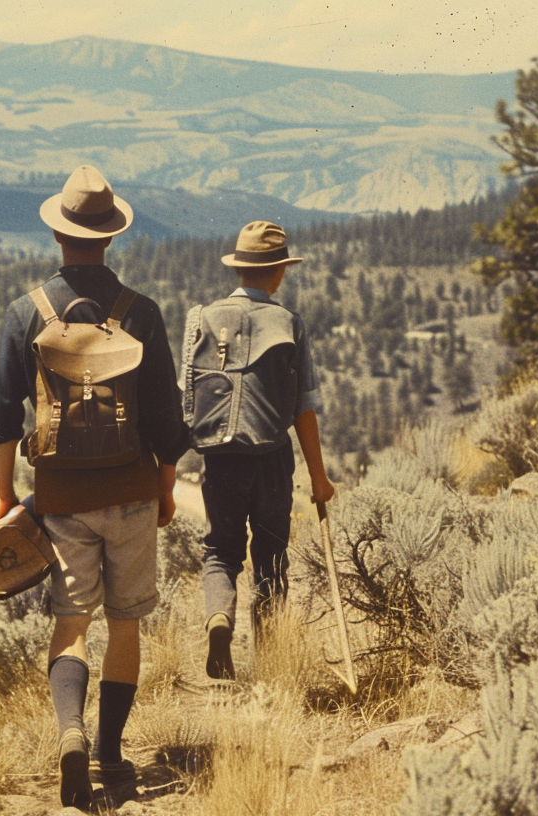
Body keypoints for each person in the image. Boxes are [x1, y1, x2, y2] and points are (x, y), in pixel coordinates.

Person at [0, 165, 188, 811]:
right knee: (125, 625)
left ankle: (69, 733)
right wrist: (165, 487)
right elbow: (166, 417)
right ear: (110, 238)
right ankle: (112, 754)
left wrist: (4, 494)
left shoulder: (25, 313)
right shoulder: (142, 313)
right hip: (131, 490)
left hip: (63, 497)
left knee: (71, 624)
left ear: (57, 234)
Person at [193, 221, 335, 680]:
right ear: (278, 273)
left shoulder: (206, 319)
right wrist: (319, 476)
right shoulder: (289, 323)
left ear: (239, 270)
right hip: (272, 458)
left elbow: (187, 398)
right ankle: (270, 664)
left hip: (219, 457)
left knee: (220, 551)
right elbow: (303, 409)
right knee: (271, 557)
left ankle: (219, 618)